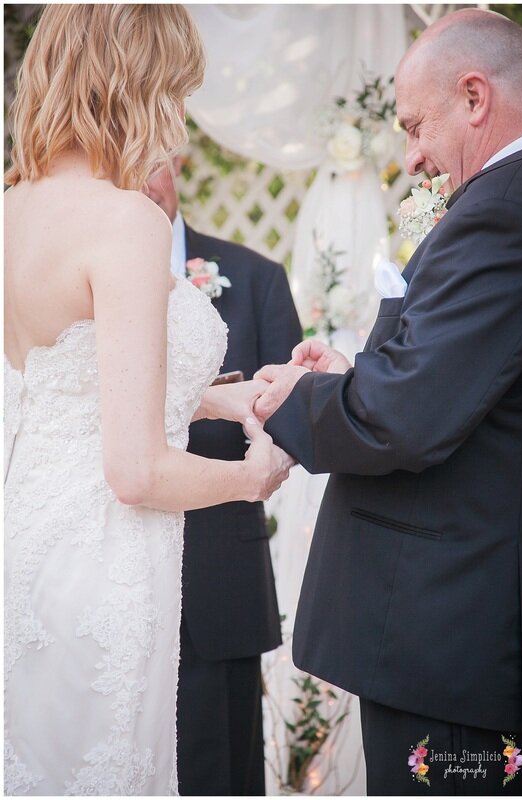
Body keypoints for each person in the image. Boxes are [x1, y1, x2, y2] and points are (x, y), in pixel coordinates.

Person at [4, 6, 292, 796]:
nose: (180, 118)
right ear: (140, 84)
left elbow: (72, 386)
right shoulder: (125, 220)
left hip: (30, 552)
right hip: (106, 559)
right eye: (176, 89)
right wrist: (249, 479)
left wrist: (219, 405)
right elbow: (136, 471)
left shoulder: (14, 205)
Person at [253, 9, 522, 796]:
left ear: (474, 97)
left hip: (449, 645)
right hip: (455, 631)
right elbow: (461, 379)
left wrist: (297, 400)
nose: (409, 157)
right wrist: (350, 371)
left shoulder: (506, 211)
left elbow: (407, 414)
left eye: (414, 127)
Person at [145, 161, 302, 795]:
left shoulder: (257, 278)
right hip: (107, 570)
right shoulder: (76, 277)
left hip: (218, 584)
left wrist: (255, 419)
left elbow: (292, 423)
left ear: (176, 159)